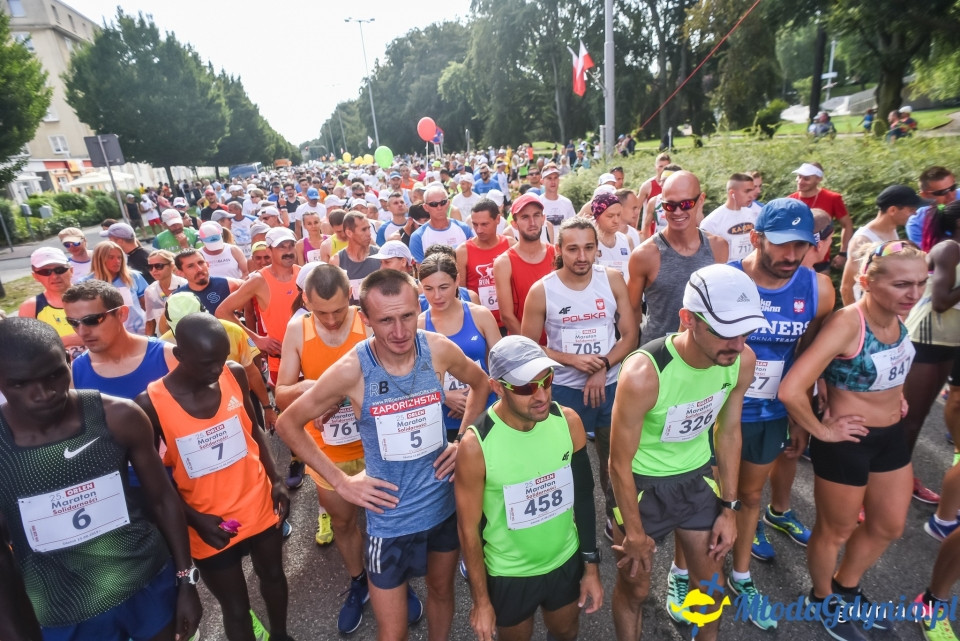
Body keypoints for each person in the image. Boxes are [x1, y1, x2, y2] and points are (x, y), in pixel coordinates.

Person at [276, 269, 491, 641]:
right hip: (389, 523)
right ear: (366, 318)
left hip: (441, 505)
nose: (399, 331)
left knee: (441, 594)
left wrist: (463, 442)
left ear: (417, 309)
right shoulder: (352, 369)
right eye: (386, 320)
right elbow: (287, 423)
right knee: (392, 633)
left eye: (407, 316)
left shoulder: (437, 348)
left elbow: (480, 382)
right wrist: (341, 481)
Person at [0, 317, 202, 641]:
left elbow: (163, 499)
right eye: (22, 384)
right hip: (63, 610)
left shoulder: (118, 416)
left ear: (68, 361)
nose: (44, 393)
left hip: (145, 583)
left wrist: (186, 580)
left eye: (54, 374)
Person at [609, 264, 765, 641]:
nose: (737, 343)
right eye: (725, 332)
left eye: (745, 331)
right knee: (637, 590)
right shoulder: (644, 374)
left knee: (712, 588)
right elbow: (618, 463)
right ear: (687, 320)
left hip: (695, 481)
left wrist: (730, 509)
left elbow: (728, 433)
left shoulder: (740, 360)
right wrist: (632, 531)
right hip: (643, 486)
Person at [780, 240, 926, 641]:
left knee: (889, 526)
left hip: (890, 437)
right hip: (848, 441)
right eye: (901, 285)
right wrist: (822, 430)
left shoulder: (899, 316)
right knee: (836, 531)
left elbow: (888, 363)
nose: (913, 294)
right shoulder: (848, 322)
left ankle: (847, 586)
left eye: (920, 283)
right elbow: (791, 389)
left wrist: (896, 394)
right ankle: (822, 597)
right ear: (866, 282)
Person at [136, 314, 294, 641]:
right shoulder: (150, 404)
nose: (216, 370)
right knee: (235, 608)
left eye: (222, 359)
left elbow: (253, 431)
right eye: (207, 363)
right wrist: (194, 519)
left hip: (258, 502)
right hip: (208, 521)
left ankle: (280, 635)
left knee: (274, 578)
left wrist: (276, 478)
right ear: (179, 357)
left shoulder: (233, 374)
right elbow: (154, 483)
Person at [723, 199, 834, 629]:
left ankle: (741, 575)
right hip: (719, 411)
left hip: (770, 412)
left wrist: (799, 410)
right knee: (708, 499)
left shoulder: (818, 290)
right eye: (782, 245)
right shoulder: (725, 280)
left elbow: (809, 352)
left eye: (801, 246)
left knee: (751, 496)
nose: (791, 256)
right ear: (756, 238)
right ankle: (687, 574)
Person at [455, 335, 603, 641]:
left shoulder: (568, 421)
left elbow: (585, 496)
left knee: (565, 632)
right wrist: (481, 601)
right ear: (497, 387)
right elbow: (468, 530)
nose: (541, 395)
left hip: (564, 560)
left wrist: (591, 566)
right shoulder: (475, 446)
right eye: (525, 387)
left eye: (546, 381)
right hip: (510, 574)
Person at [522, 216, 638, 541]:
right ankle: (563, 529)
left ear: (597, 249)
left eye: (588, 248)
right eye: (572, 249)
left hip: (611, 386)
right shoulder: (542, 290)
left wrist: (601, 365)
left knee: (615, 461)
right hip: (563, 391)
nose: (581, 256)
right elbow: (528, 347)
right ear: (558, 250)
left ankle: (615, 519)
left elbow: (630, 335)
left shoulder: (612, 280)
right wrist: (571, 360)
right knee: (562, 464)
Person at [628, 170, 728, 344]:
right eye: (670, 205)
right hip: (658, 355)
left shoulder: (718, 247)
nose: (678, 211)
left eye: (686, 203)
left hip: (704, 353)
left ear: (701, 200)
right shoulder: (644, 254)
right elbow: (631, 311)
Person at [903, 201, 960, 508]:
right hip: (926, 339)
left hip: (950, 341)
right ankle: (880, 484)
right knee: (909, 419)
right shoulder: (949, 249)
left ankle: (902, 477)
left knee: (920, 417)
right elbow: (940, 301)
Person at [419, 252, 501, 442]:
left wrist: (474, 394)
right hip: (443, 419)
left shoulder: (480, 315)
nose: (436, 296)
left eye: (444, 287)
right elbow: (414, 377)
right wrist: (445, 396)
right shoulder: (419, 325)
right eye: (428, 289)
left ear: (457, 281)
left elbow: (500, 367)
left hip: (486, 411)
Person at [217, 228, 302, 386]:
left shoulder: (304, 274)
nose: (288, 251)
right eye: (281, 247)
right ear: (269, 250)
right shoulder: (259, 280)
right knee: (288, 408)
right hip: (281, 361)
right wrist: (256, 339)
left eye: (291, 245)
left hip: (309, 355)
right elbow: (222, 312)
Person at [840, 184, 924, 305]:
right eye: (911, 210)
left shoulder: (892, 230)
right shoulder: (863, 239)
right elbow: (847, 287)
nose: (915, 213)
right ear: (892, 210)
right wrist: (856, 320)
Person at [493, 194, 557, 336]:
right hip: (526, 348)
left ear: (543, 219)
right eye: (525, 217)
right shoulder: (504, 263)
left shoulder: (557, 255)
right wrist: (533, 346)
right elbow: (507, 317)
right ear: (514, 223)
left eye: (536, 215)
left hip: (559, 344)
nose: (532, 222)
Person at [456, 198, 514, 330]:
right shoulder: (463, 251)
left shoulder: (510, 245)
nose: (479, 230)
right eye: (475, 224)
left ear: (497, 220)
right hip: (480, 324)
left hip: (510, 322)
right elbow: (461, 293)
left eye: (484, 224)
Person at [19, 247, 84, 356]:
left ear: (71, 270)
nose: (54, 276)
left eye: (60, 270)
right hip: (58, 371)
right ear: (35, 276)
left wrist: (59, 342)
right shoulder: (31, 308)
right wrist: (69, 340)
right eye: (45, 272)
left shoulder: (92, 296)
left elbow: (109, 334)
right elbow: (29, 350)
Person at [788, 163, 853, 271]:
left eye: (806, 178)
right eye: (799, 177)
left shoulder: (832, 198)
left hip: (820, 262)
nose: (800, 181)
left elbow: (847, 224)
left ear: (818, 179)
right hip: (793, 262)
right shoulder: (789, 201)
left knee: (822, 287)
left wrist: (843, 253)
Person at [83, 241, 149, 336]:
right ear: (100, 259)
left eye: (119, 257)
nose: (117, 261)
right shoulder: (86, 284)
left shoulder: (133, 276)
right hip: (108, 337)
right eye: (111, 257)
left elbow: (147, 306)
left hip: (141, 333)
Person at [699, 173, 759, 262]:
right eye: (747, 191)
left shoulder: (753, 215)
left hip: (749, 271)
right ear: (732, 193)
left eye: (752, 191)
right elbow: (702, 255)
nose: (751, 195)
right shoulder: (712, 222)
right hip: (726, 273)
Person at [409, 184, 475, 263]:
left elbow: (472, 260)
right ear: (425, 207)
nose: (439, 207)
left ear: (448, 203)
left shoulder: (464, 229)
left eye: (443, 202)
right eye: (433, 204)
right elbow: (422, 271)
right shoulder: (417, 237)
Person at [172, 249, 242, 317]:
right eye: (190, 266)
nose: (199, 269)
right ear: (180, 273)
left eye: (201, 263)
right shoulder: (176, 298)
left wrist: (239, 312)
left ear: (207, 264)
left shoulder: (230, 285)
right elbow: (164, 327)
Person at [330, 212, 381, 304]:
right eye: (363, 230)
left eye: (369, 228)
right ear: (349, 233)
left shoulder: (380, 255)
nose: (369, 234)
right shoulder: (337, 261)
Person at [906, 166, 958, 247]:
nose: (951, 196)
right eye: (942, 192)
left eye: (952, 188)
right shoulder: (916, 223)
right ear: (924, 195)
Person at [590, 192, 635, 280]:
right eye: (610, 216)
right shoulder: (589, 243)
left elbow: (634, 274)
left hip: (623, 292)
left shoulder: (627, 240)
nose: (616, 220)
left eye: (618, 215)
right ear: (597, 216)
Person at [143, 249, 186, 336]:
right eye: (150, 267)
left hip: (187, 336)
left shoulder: (184, 285)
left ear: (172, 266)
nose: (154, 270)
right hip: (164, 339)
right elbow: (150, 322)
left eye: (158, 266)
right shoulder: (149, 291)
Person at [538, 162, 576, 227]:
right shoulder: (538, 202)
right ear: (542, 181)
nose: (553, 181)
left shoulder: (567, 203)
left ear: (559, 180)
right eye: (549, 178)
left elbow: (573, 227)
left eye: (555, 178)